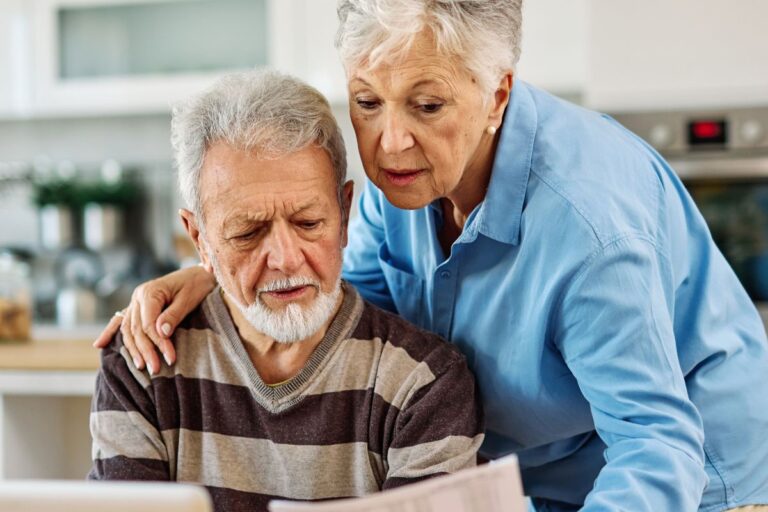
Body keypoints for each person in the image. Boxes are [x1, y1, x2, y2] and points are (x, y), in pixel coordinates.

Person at [94, 1, 768, 511]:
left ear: (497, 94)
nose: (390, 143)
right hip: (541, 471)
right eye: (366, 101)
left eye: (427, 104)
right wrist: (219, 272)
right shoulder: (407, 181)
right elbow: (350, 310)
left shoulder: (589, 231)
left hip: (696, 479)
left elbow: (657, 444)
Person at [88, 69, 484, 512]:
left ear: (345, 212)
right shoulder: (143, 365)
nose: (285, 258)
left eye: (308, 223)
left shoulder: (423, 383)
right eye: (248, 232)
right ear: (199, 238)